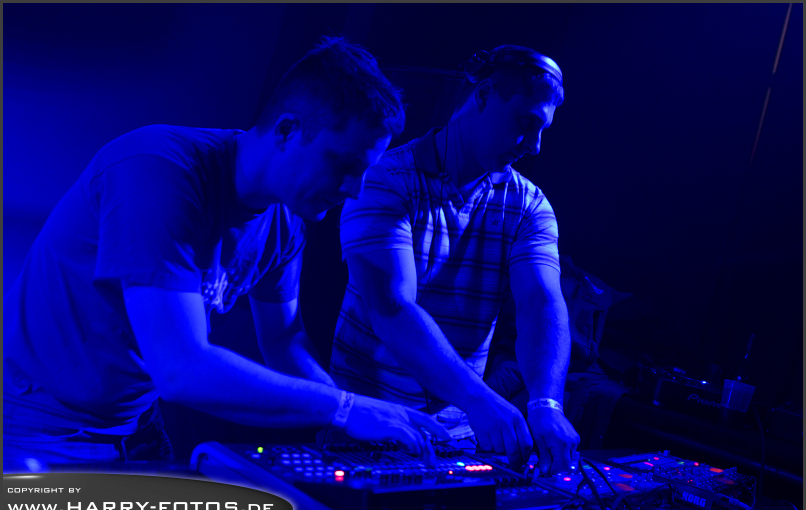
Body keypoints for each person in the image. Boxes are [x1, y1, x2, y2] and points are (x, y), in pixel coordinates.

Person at [3, 37, 449, 472]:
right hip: (37, 430)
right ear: (287, 130)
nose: (354, 190)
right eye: (344, 165)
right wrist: (345, 407)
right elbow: (180, 369)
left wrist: (349, 425)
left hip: (136, 429)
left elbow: (284, 340)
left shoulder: (286, 218)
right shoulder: (157, 170)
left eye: (365, 173)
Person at [328, 45, 580, 475]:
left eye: (543, 130)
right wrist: (480, 400)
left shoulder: (530, 205)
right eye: (526, 122)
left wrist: (546, 404)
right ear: (483, 95)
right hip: (365, 429)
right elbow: (391, 308)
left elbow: (540, 303)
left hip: (459, 439)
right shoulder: (386, 179)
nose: (536, 146)